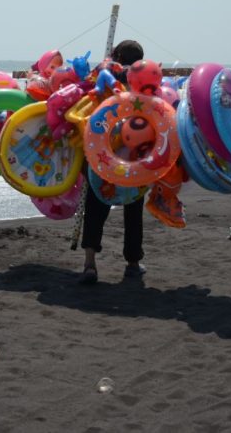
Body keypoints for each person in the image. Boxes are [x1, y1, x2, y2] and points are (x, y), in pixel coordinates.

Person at [80, 39, 146, 284]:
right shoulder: (143, 83)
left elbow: (85, 95)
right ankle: (132, 263)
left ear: (116, 54)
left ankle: (89, 265)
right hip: (134, 157)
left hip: (101, 154)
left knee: (96, 208)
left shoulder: (104, 74)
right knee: (133, 210)